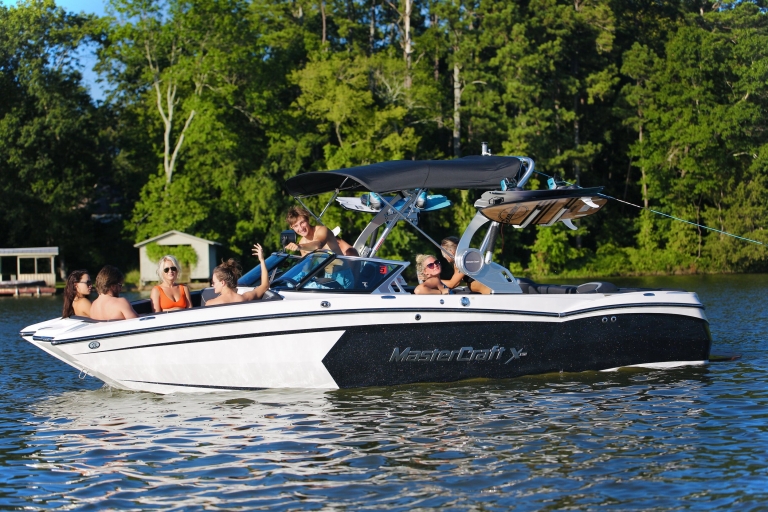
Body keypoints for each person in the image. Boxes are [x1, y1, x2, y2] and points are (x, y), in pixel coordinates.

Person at [284, 206, 359, 256]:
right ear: (292, 227)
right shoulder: (302, 243)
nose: (300, 228)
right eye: (296, 226)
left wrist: (299, 247)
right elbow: (307, 268)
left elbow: (318, 245)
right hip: (325, 277)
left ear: (308, 220)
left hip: (342, 274)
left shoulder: (322, 230)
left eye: (302, 223)